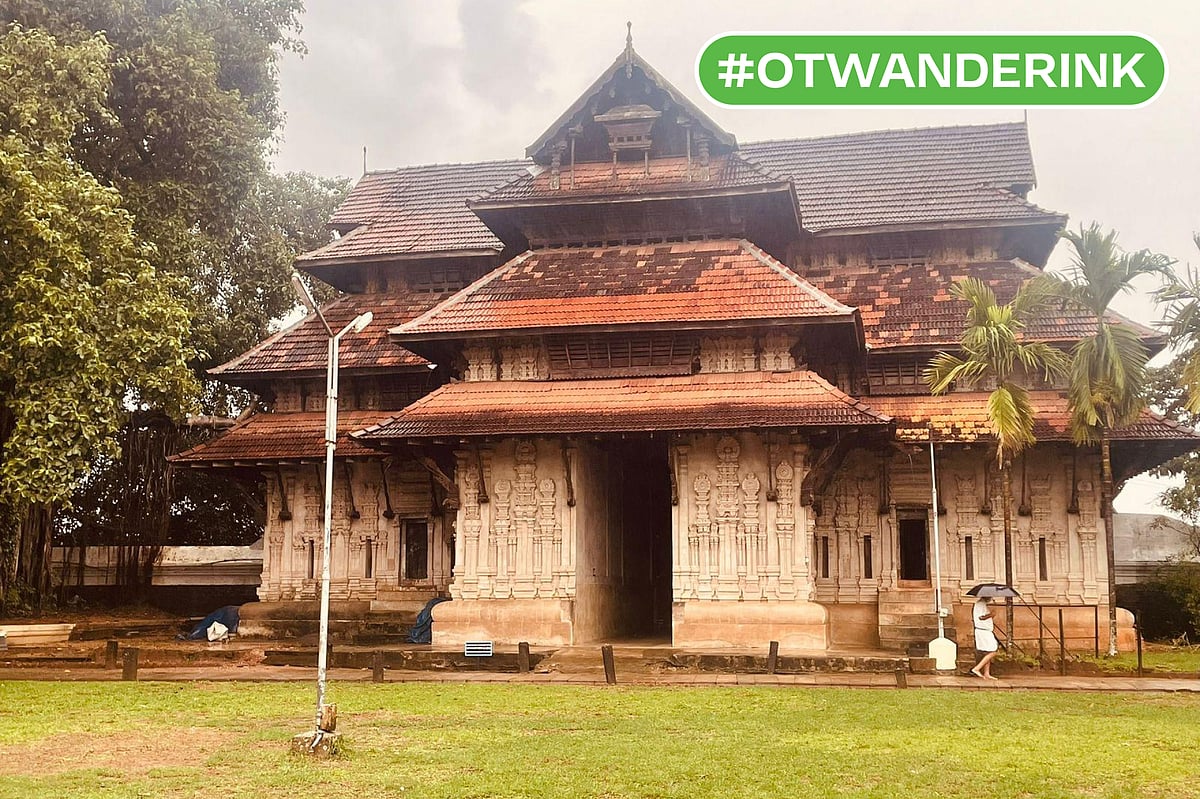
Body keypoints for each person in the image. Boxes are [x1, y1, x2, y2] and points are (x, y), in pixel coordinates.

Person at [971, 597, 999, 679]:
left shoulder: (983, 604)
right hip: (983, 631)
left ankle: (987, 673)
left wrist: (991, 614)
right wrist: (991, 614)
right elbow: (981, 617)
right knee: (993, 650)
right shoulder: (980, 604)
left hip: (985, 630)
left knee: (988, 652)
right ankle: (976, 668)